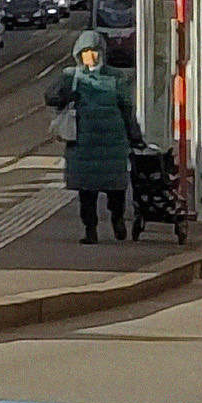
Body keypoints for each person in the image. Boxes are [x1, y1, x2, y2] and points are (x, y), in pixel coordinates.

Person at [45, 30, 141, 243]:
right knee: (87, 194)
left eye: (96, 51)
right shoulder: (71, 77)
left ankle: (117, 219)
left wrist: (134, 135)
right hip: (84, 145)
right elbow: (50, 96)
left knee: (116, 190)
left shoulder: (117, 77)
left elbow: (127, 109)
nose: (92, 56)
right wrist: (63, 95)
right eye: (87, 51)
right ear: (79, 54)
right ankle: (90, 230)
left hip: (111, 144)